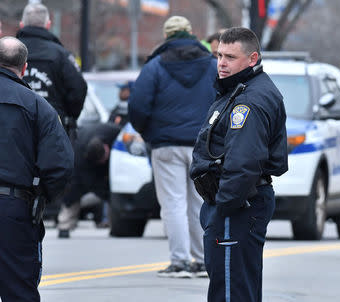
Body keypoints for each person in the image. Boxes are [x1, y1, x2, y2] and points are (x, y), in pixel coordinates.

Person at [190, 27, 288, 302]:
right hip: (236, 203)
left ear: (252, 58)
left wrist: (225, 206)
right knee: (238, 286)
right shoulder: (238, 89)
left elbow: (243, 161)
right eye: (219, 55)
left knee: (231, 292)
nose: (221, 62)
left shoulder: (249, 100)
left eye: (230, 57)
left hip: (238, 205)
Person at [128, 15, 217, 278]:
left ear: (167, 36)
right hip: (203, 144)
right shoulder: (212, 64)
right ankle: (202, 261)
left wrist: (149, 133)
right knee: (199, 202)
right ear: (190, 33)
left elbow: (137, 106)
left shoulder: (155, 65)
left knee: (173, 204)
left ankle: (179, 261)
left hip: (166, 144)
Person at [0, 36, 73, 301]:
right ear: (24, 67)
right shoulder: (37, 105)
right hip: (12, 206)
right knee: (18, 290)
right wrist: (40, 196)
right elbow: (60, 164)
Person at [16, 3, 87, 143]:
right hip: (53, 130)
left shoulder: (7, 52)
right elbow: (79, 88)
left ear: (21, 24)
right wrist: (67, 115)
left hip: (12, 130)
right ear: (48, 25)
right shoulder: (61, 55)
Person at [57, 123, 121, 238]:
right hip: (78, 164)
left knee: (115, 192)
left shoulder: (111, 131)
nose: (102, 161)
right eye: (100, 161)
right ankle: (64, 225)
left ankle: (116, 226)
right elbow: (91, 183)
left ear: (106, 147)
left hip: (112, 163)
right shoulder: (81, 157)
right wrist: (106, 193)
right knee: (72, 193)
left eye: (104, 158)